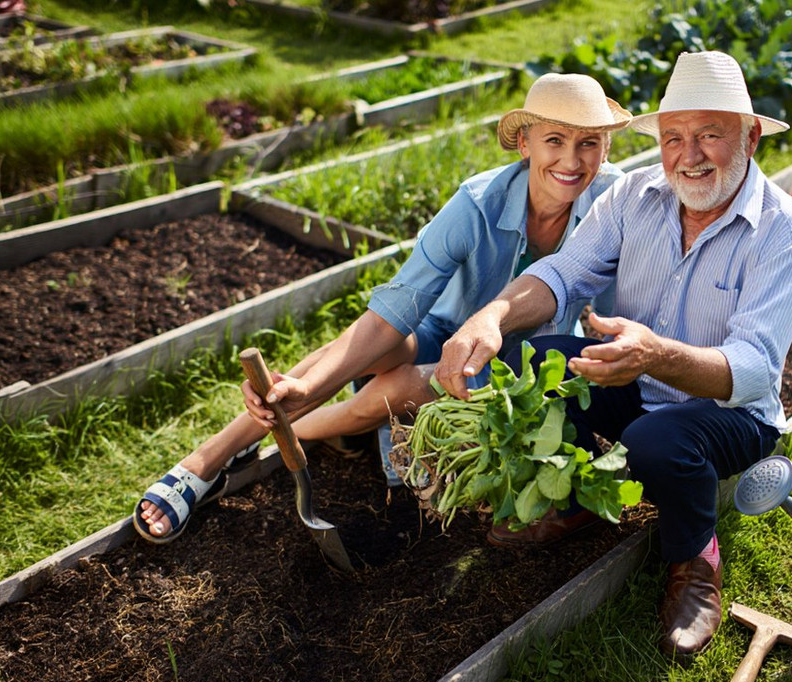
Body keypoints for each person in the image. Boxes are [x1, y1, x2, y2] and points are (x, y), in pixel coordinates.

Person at [434, 50, 792, 660]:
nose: (687, 156)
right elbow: (562, 274)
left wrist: (656, 355)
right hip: (633, 380)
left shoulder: (787, 232)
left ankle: (695, 558)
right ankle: (580, 497)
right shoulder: (635, 197)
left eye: (708, 136)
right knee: (534, 362)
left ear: (750, 137)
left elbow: (750, 369)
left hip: (727, 414)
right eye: (673, 138)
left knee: (658, 441)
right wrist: (492, 315)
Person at [134, 73, 632, 543]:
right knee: (372, 350)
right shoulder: (477, 204)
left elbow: (617, 312)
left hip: (518, 364)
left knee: (389, 391)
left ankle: (288, 432)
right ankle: (209, 458)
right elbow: (394, 310)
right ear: (525, 144)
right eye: (555, 140)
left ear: (606, 148)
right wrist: (307, 385)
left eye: (588, 142)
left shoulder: (612, 206)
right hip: (441, 329)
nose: (571, 160)